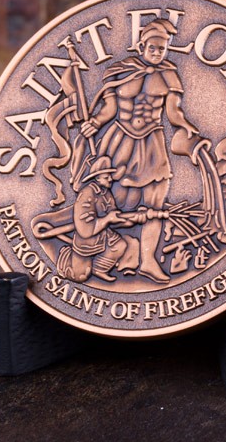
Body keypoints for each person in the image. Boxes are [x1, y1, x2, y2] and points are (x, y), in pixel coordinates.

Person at [80, 18, 201, 284]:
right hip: (120, 140)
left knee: (155, 202)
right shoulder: (119, 71)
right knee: (112, 200)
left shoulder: (169, 75)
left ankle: (148, 261)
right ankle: (112, 254)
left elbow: (173, 112)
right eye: (152, 48)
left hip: (152, 142)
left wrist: (186, 125)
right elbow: (109, 109)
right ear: (141, 46)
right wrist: (95, 123)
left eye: (162, 49)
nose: (157, 53)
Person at [57, 156, 130, 283]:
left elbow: (113, 215)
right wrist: (107, 219)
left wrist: (129, 219)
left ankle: (99, 269)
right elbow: (84, 228)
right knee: (80, 276)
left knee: (120, 245)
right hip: (87, 241)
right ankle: (66, 256)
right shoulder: (87, 193)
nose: (111, 179)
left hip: (103, 234)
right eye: (106, 177)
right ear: (97, 178)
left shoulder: (105, 192)